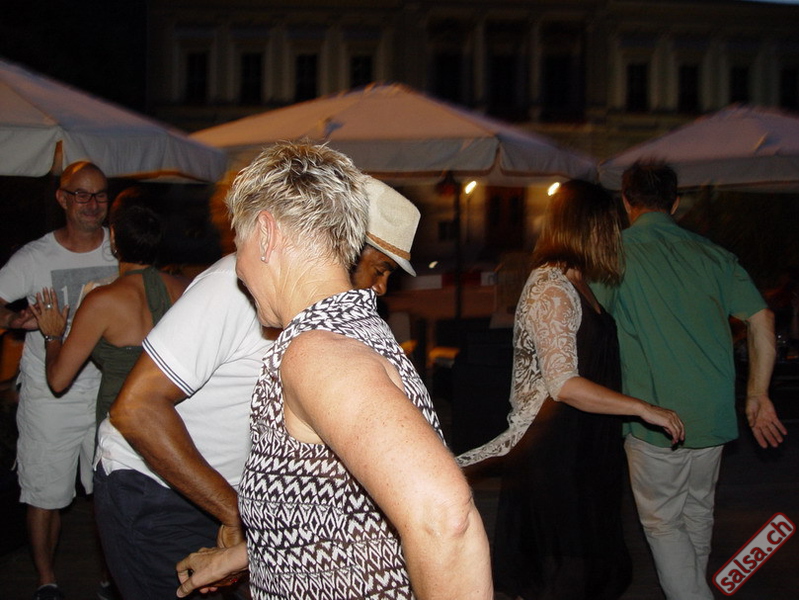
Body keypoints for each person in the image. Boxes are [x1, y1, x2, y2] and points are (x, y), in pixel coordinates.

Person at [174, 142, 492, 600]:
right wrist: (242, 557)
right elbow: (345, 510)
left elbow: (444, 517)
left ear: (266, 233)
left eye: (238, 244)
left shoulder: (317, 351)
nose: (238, 268)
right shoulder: (348, 330)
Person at [93, 175, 424, 599]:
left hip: (226, 495)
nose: (381, 289)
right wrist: (235, 513)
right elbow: (135, 409)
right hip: (152, 487)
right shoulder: (236, 287)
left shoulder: (332, 318)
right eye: (379, 270)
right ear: (340, 248)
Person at [455, 180, 683, 600]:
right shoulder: (551, 286)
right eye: (609, 225)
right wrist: (643, 408)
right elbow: (564, 384)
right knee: (562, 577)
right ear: (589, 227)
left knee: (589, 573)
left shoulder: (578, 282)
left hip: (584, 447)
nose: (615, 234)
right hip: (554, 453)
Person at [592, 162, 787, 600]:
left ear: (626, 202)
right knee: (697, 514)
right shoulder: (715, 256)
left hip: (654, 417)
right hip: (712, 413)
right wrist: (758, 393)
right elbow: (762, 318)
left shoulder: (614, 256)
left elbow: (589, 324)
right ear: (675, 203)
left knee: (664, 524)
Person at [0, 161, 118, 600]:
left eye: (100, 195)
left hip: (108, 391)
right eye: (81, 195)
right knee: (44, 493)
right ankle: (46, 581)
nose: (92, 204)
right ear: (62, 199)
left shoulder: (119, 249)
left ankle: (110, 577)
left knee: (108, 492)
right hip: (50, 397)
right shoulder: (35, 257)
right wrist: (14, 320)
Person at [30, 197, 189, 428]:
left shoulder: (101, 301)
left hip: (121, 425)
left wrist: (52, 335)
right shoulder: (186, 289)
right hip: (173, 420)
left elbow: (58, 380)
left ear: (113, 238)